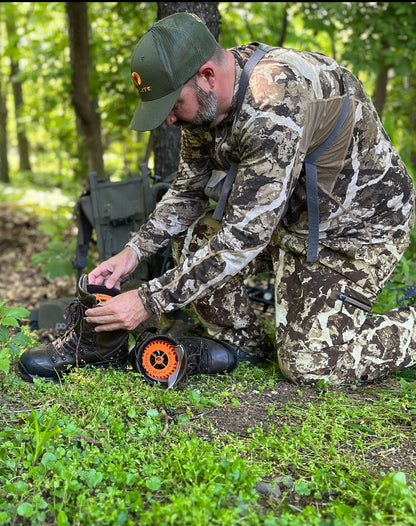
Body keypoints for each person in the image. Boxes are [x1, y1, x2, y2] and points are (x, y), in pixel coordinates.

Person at [19, 12, 416, 387]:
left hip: (354, 231)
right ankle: (247, 347)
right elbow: (189, 192)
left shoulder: (273, 103)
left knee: (310, 366)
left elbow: (244, 237)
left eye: (174, 106)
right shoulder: (208, 107)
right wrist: (133, 253)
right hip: (288, 221)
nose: (170, 121)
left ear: (207, 76)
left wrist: (147, 300)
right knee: (192, 238)